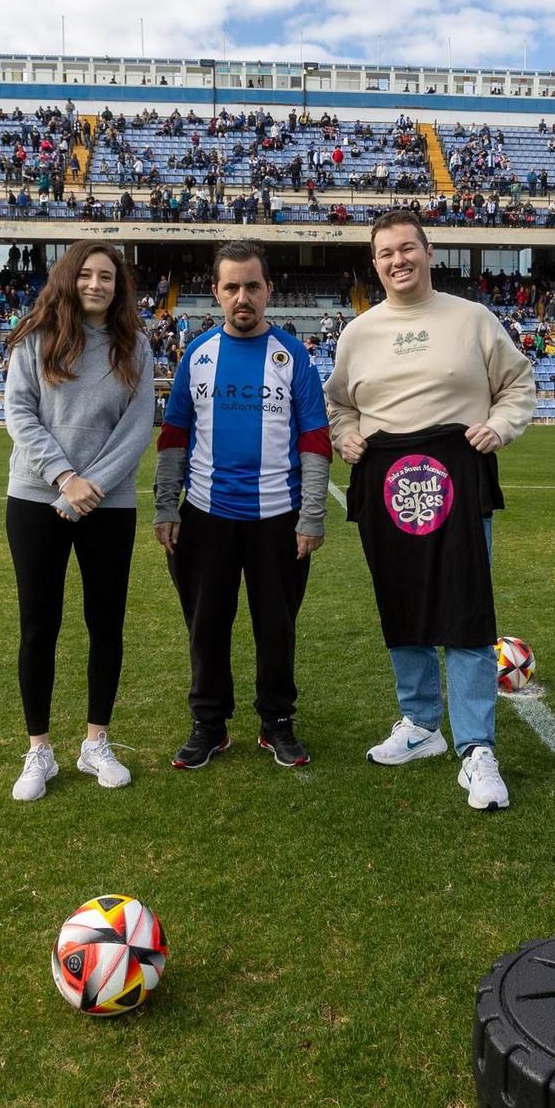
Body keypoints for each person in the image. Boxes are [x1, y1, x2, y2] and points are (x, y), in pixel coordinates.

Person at [325, 211, 536, 811]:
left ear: (428, 251)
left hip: (459, 482)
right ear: (374, 264)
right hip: (386, 488)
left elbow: (518, 385)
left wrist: (499, 426)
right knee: (403, 605)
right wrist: (346, 435)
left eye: (407, 248)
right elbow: (338, 404)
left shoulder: (473, 319)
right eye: (386, 253)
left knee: (465, 608)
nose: (398, 260)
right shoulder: (358, 334)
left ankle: (477, 747)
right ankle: (420, 724)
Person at [154, 242, 331, 770]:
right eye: (231, 287)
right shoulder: (197, 354)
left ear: (268, 290)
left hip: (279, 519)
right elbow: (173, 436)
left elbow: (315, 439)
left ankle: (277, 721)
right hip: (205, 517)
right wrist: (166, 506)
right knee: (206, 626)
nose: (242, 297)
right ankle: (209, 724)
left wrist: (312, 514)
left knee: (276, 626)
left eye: (252, 286)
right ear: (216, 292)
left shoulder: (292, 356)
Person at [3, 242, 154, 802]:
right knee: (38, 625)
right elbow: (19, 413)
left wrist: (91, 486)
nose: (96, 284)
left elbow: (138, 426)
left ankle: (96, 742)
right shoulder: (35, 337)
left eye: (107, 277)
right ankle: (39, 749)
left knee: (105, 624)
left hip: (108, 505)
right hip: (35, 497)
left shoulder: (135, 344)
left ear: (118, 287)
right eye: (86, 274)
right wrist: (65, 478)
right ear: (69, 278)